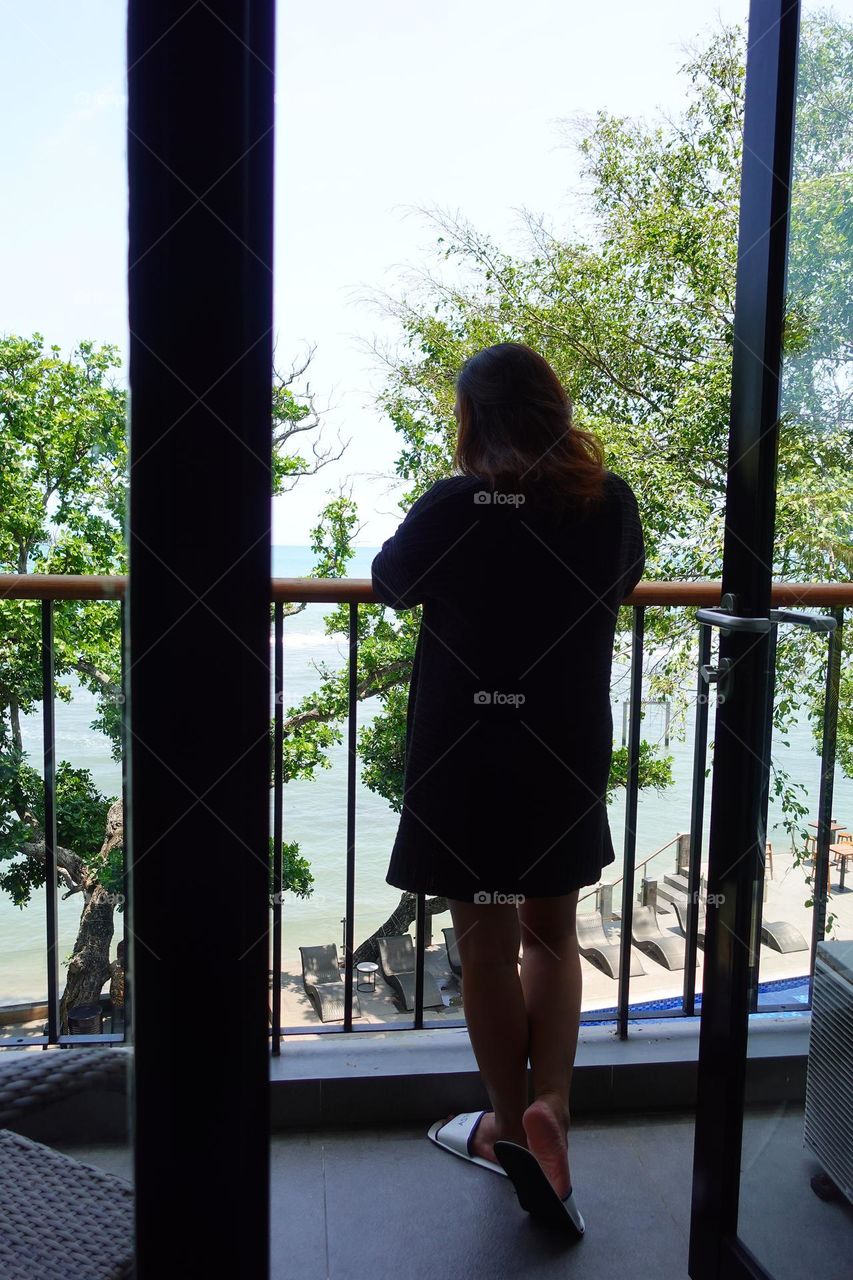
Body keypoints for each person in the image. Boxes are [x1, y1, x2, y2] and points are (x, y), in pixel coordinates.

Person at [370, 342, 644, 1230]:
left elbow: (389, 583)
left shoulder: (458, 505)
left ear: (470, 420)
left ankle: (500, 1121)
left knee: (485, 942)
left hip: (466, 752)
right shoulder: (608, 503)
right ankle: (551, 1108)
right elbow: (623, 581)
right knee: (551, 936)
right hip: (561, 743)